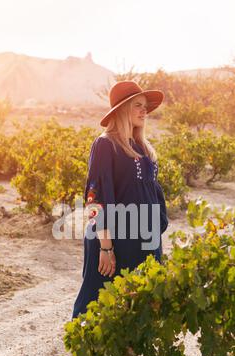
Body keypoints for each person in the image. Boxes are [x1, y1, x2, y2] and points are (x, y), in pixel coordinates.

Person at [71, 80, 169, 319]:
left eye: (145, 106)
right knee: (97, 303)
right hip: (115, 240)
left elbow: (153, 193)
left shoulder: (143, 147)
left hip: (144, 240)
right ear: (123, 109)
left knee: (140, 306)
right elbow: (97, 197)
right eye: (137, 105)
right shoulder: (105, 144)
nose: (144, 111)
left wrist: (155, 232)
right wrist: (106, 247)